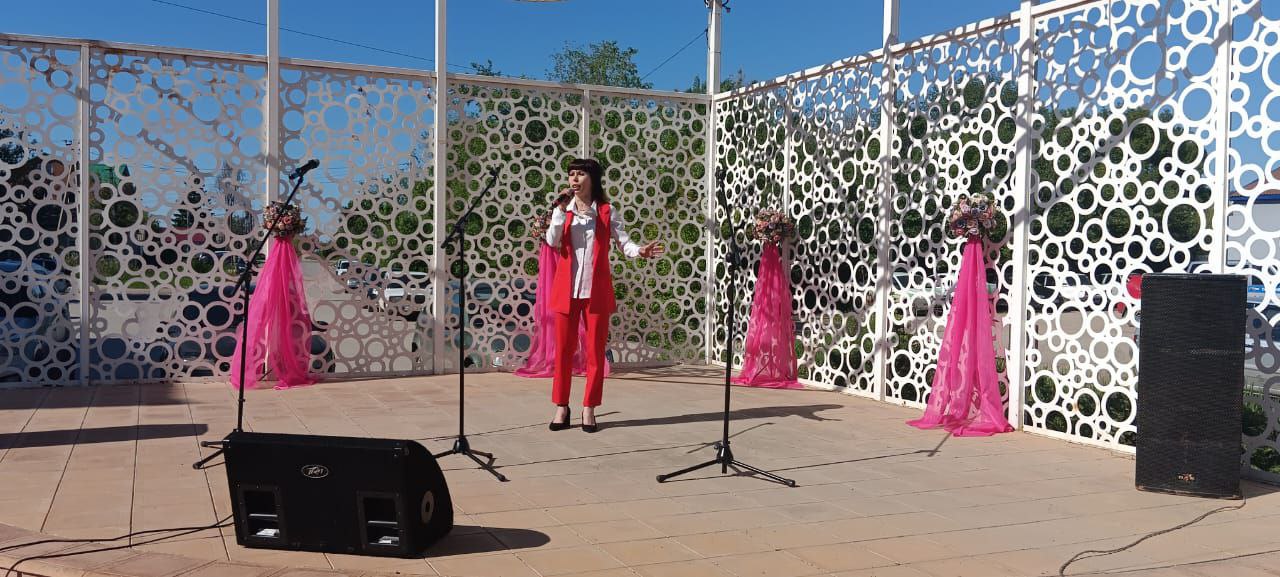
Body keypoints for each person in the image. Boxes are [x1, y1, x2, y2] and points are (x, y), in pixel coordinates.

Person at [545, 158, 664, 432]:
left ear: (592, 179)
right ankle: (561, 407)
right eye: (571, 174)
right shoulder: (563, 211)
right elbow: (552, 241)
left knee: (595, 353)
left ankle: (589, 407)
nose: (574, 179)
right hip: (566, 291)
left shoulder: (607, 211)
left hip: (595, 291)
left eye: (580, 174)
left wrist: (640, 251)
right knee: (562, 352)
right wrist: (559, 212)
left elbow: (624, 243)